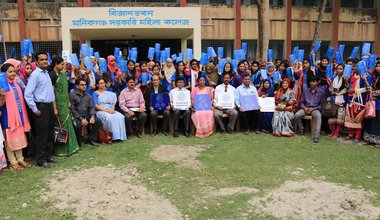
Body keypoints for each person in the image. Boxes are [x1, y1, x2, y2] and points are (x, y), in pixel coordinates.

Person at [25, 52, 56, 169]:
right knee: (41, 135)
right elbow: (28, 94)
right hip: (40, 107)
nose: (44, 61)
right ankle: (41, 160)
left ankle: (48, 156)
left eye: (45, 59)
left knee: (49, 133)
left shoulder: (46, 73)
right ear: (36, 62)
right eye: (41, 60)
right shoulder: (35, 75)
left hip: (48, 106)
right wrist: (35, 109)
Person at [0, 64, 31, 170]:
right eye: (10, 72)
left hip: (20, 116)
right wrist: (2, 95)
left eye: (14, 71)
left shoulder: (17, 84)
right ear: (4, 74)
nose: (13, 73)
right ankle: (13, 161)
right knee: (10, 140)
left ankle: (20, 159)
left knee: (19, 138)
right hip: (8, 117)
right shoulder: (1, 86)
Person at [49, 56, 79, 156]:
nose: (63, 66)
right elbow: (51, 93)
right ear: (55, 64)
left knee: (68, 124)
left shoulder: (62, 75)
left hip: (65, 103)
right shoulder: (52, 75)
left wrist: (68, 101)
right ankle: (60, 150)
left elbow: (67, 88)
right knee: (61, 126)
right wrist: (54, 108)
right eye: (61, 64)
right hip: (57, 104)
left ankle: (71, 148)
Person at [69, 79, 102, 147]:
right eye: (82, 85)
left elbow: (91, 107)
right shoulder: (72, 95)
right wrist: (81, 119)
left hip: (86, 115)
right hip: (76, 117)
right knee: (78, 125)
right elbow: (72, 109)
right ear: (77, 86)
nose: (84, 86)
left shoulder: (88, 95)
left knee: (98, 121)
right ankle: (78, 144)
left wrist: (92, 116)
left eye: (85, 85)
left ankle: (90, 139)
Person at [294, 76, 325, 143]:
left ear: (317, 83)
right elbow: (301, 102)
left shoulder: (321, 92)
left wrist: (313, 108)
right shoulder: (306, 91)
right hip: (305, 108)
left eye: (314, 82)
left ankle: (316, 136)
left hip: (315, 109)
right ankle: (301, 128)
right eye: (311, 82)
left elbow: (321, 105)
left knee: (318, 116)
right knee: (297, 115)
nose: (312, 83)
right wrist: (304, 108)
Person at [327, 64, 349, 138]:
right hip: (334, 98)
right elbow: (330, 89)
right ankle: (333, 131)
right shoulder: (334, 78)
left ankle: (337, 132)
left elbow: (347, 88)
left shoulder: (345, 78)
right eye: (337, 69)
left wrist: (338, 92)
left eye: (340, 69)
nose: (339, 70)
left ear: (343, 70)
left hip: (342, 98)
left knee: (340, 116)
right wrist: (331, 87)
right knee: (332, 114)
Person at [364, 61, 380, 147]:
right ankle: (368, 139)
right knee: (370, 119)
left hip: (378, 102)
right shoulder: (374, 77)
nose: (378, 68)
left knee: (378, 121)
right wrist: (365, 80)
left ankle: (378, 141)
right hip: (372, 102)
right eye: (377, 66)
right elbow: (369, 88)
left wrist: (372, 93)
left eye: (379, 66)